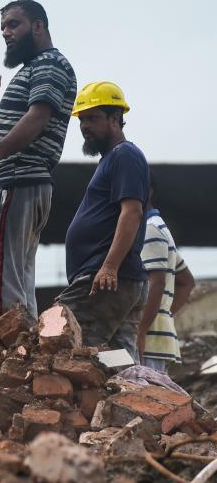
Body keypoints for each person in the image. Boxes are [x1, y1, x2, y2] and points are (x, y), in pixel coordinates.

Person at [0, 0, 77, 317]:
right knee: (18, 281)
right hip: (22, 182)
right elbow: (25, 125)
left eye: (14, 24)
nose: (6, 33)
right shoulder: (37, 68)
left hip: (15, 183)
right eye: (3, 27)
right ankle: (24, 352)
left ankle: (11, 355)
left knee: (3, 282)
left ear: (38, 26)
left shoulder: (49, 64)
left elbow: (38, 118)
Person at [57, 82, 149, 358]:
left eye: (93, 118)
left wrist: (109, 267)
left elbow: (132, 211)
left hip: (105, 279)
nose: (85, 126)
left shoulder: (124, 155)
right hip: (118, 280)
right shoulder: (112, 159)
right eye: (82, 119)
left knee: (60, 335)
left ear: (114, 119)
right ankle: (130, 400)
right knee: (117, 362)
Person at [138, 173, 196, 373]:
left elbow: (157, 283)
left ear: (149, 192)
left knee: (144, 399)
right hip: (156, 338)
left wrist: (142, 329)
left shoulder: (148, 229)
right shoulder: (159, 228)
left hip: (148, 340)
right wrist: (164, 313)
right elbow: (187, 281)